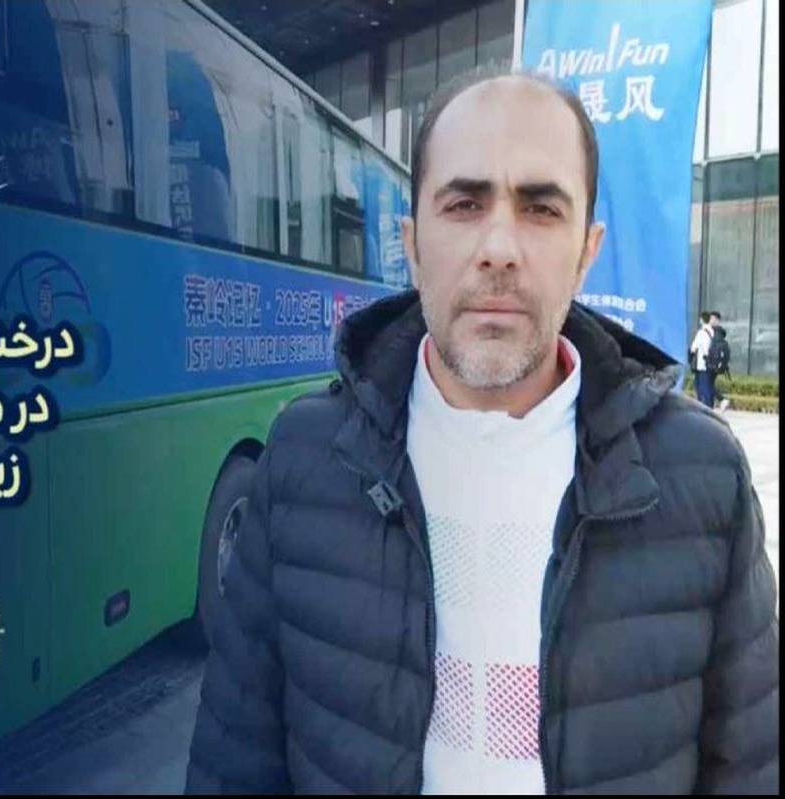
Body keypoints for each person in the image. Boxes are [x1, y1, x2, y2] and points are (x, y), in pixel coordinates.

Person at [185, 64, 777, 795]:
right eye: (464, 204)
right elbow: (235, 760)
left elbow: (751, 766)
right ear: (413, 244)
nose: (499, 246)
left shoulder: (702, 476)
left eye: (541, 208)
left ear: (586, 253)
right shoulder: (303, 461)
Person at [689, 310, 717, 407]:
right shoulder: (712, 331)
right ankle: (710, 406)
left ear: (701, 320)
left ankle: (704, 408)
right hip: (711, 363)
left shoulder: (701, 332)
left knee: (702, 388)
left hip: (702, 364)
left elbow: (693, 348)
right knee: (709, 386)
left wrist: (690, 356)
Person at [707, 313, 733, 412]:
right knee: (709, 384)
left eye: (712, 319)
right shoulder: (720, 333)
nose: (711, 321)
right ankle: (715, 402)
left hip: (711, 363)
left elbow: (710, 348)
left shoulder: (715, 332)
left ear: (717, 320)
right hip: (716, 364)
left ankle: (721, 399)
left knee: (707, 384)